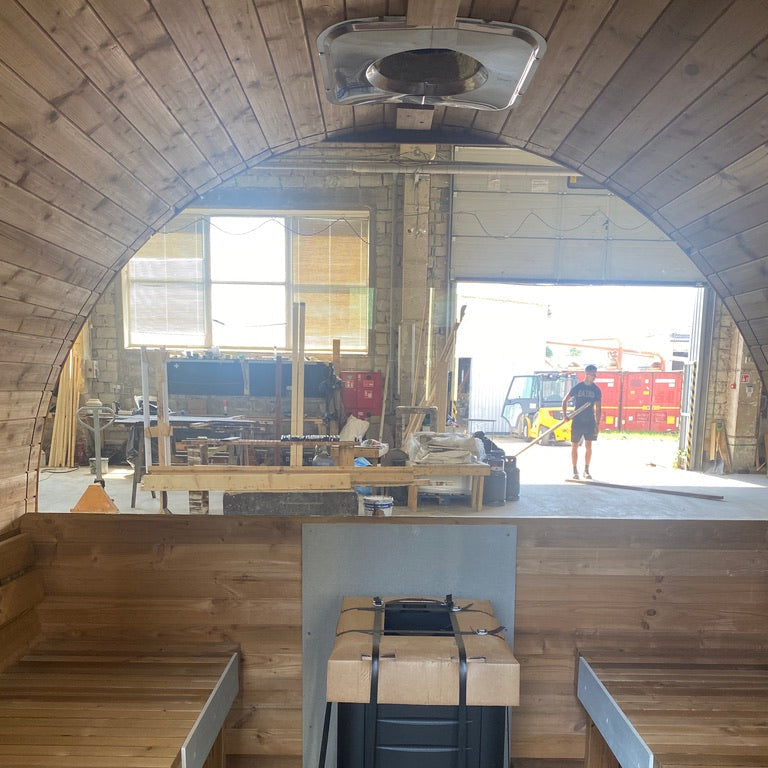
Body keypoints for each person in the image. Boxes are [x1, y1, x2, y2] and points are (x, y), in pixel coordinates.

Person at [562, 364, 602, 480]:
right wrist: (565, 415)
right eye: (593, 374)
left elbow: (599, 408)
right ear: (587, 374)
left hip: (590, 421)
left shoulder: (596, 390)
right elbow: (564, 400)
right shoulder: (578, 388)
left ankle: (586, 470)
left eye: (595, 374)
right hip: (577, 421)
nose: (595, 376)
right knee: (574, 445)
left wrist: (597, 424)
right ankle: (575, 471)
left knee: (589, 445)